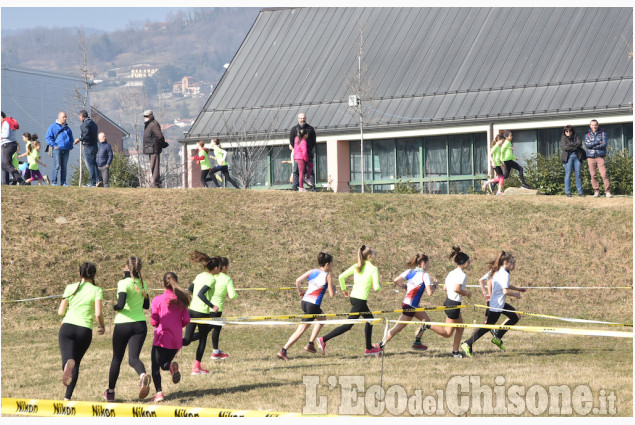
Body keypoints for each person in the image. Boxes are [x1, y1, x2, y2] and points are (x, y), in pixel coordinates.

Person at [315, 245, 383, 357]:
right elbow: (376, 288)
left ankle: (369, 349)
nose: (376, 256)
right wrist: (378, 284)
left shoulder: (356, 266)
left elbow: (341, 277)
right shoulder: (374, 269)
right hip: (360, 300)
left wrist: (344, 290)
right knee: (348, 325)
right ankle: (323, 339)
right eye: (375, 254)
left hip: (354, 298)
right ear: (369, 256)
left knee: (370, 320)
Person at [460, 251, 527, 357]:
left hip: (499, 303)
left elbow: (502, 284)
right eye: (512, 263)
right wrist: (516, 294)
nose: (514, 265)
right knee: (486, 327)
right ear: (505, 263)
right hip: (496, 306)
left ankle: (497, 337)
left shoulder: (497, 270)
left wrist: (518, 289)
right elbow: (505, 291)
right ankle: (467, 343)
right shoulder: (504, 273)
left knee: (515, 316)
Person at [105, 257, 151, 401]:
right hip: (140, 325)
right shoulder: (143, 283)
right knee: (133, 358)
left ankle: (111, 392)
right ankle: (142, 375)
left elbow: (121, 304)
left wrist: (113, 307)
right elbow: (146, 306)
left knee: (117, 358)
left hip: (123, 324)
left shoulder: (123, 283)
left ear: (126, 267)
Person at [58, 262, 105, 401]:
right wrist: (102, 326)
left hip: (67, 327)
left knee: (68, 359)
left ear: (79, 274)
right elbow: (98, 313)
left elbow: (60, 312)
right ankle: (67, 397)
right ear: (94, 275)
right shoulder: (97, 290)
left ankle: (67, 364)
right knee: (76, 363)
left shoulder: (70, 288)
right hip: (84, 330)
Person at [414, 246, 472, 358]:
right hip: (453, 304)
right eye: (468, 261)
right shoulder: (462, 275)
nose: (469, 263)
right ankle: (427, 325)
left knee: (460, 328)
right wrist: (467, 293)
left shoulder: (452, 273)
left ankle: (455, 352)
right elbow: (456, 289)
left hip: (449, 302)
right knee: (447, 333)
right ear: (463, 262)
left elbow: (445, 288)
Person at [278, 252, 335, 361]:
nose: (333, 265)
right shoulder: (327, 276)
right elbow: (332, 294)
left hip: (305, 302)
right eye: (332, 263)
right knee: (301, 329)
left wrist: (300, 292)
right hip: (313, 306)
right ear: (327, 264)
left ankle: (310, 344)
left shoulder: (312, 271)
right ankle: (283, 350)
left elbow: (297, 281)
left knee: (322, 319)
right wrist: (335, 289)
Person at [378, 253, 438, 351]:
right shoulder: (425, 275)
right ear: (423, 263)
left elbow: (396, 280)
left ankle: (417, 342)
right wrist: (435, 285)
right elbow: (430, 292)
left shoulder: (409, 271)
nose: (429, 266)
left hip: (410, 305)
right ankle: (379, 346)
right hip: (411, 306)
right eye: (428, 263)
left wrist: (404, 286)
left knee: (426, 320)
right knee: (397, 328)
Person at [148, 272, 191, 403]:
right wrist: (178, 326)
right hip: (176, 340)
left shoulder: (157, 300)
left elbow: (154, 322)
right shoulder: (181, 301)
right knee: (164, 364)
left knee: (155, 367)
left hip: (162, 338)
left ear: (163, 283)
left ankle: (159, 393)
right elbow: (187, 319)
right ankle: (171, 365)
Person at [182, 251, 221, 375]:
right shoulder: (212, 279)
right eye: (219, 267)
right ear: (215, 268)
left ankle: (176, 342)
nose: (220, 269)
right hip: (202, 313)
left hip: (191, 310)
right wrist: (212, 306)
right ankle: (196, 368)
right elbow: (200, 294)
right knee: (203, 339)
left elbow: (190, 289)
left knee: (187, 340)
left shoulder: (200, 275)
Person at [209, 257, 238, 360]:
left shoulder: (211, 276)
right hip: (217, 309)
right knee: (215, 329)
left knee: (211, 329)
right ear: (224, 267)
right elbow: (232, 295)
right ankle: (215, 352)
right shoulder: (227, 279)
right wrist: (236, 294)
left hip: (205, 307)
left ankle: (216, 351)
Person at [584, 119, 612, 198]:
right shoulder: (587, 135)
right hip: (590, 157)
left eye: (595, 125)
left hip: (600, 156)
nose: (594, 126)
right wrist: (597, 142)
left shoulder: (603, 134)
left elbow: (604, 144)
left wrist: (593, 145)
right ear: (590, 126)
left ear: (598, 125)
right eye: (592, 125)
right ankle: (596, 191)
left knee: (604, 174)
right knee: (593, 175)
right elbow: (588, 145)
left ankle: (607, 192)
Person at [289, 113, 316, 191]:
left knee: (310, 171)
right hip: (299, 155)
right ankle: (295, 187)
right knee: (296, 171)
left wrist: (309, 149)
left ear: (305, 118)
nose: (302, 120)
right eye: (301, 118)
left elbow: (313, 141)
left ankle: (313, 187)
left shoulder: (310, 129)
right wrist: (298, 151)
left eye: (303, 118)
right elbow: (291, 141)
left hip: (308, 153)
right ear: (298, 118)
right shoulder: (294, 129)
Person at [45, 112, 74, 186]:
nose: (65, 118)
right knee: (57, 165)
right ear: (59, 117)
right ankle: (54, 182)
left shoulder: (67, 128)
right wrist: (54, 145)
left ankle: (63, 182)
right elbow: (48, 138)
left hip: (66, 149)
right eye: (63, 117)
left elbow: (71, 138)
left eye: (65, 117)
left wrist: (70, 146)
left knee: (64, 166)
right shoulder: (53, 127)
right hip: (57, 149)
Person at [142, 110, 168, 188]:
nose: (145, 118)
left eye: (146, 116)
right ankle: (156, 182)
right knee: (153, 166)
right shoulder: (149, 124)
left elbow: (159, 136)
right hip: (150, 149)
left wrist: (163, 144)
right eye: (144, 116)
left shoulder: (154, 124)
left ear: (151, 116)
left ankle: (156, 183)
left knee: (155, 166)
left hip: (154, 149)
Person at [74, 110, 99, 187]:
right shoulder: (94, 124)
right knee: (94, 164)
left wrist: (79, 139)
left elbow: (86, 136)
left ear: (82, 116)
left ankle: (92, 182)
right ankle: (98, 180)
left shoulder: (84, 125)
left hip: (88, 147)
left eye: (79, 117)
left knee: (90, 164)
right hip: (95, 146)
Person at [560, 125, 586, 197]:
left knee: (578, 174)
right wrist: (574, 146)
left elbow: (579, 143)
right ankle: (567, 192)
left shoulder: (576, 136)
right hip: (568, 157)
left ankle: (580, 192)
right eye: (566, 131)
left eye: (570, 131)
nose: (568, 132)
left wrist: (571, 146)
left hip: (577, 156)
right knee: (568, 174)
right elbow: (564, 147)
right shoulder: (563, 138)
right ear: (564, 132)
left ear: (572, 131)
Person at [1, 111, 26, 185]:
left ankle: (20, 180)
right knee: (3, 165)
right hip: (10, 144)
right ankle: (6, 183)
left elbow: (6, 135)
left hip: (8, 145)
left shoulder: (5, 122)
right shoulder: (9, 122)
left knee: (7, 165)